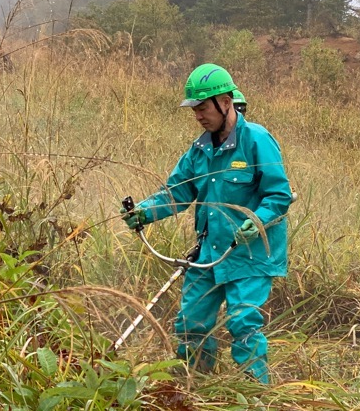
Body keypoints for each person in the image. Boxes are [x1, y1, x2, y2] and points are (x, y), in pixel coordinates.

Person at [121, 63, 293, 382]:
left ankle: (255, 398)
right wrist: (143, 212)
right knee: (191, 324)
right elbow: (176, 193)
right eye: (194, 109)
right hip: (209, 254)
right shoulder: (199, 151)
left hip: (251, 255)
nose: (198, 115)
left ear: (225, 101)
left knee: (243, 324)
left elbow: (279, 195)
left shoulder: (257, 139)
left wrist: (257, 221)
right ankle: (195, 388)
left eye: (203, 107)